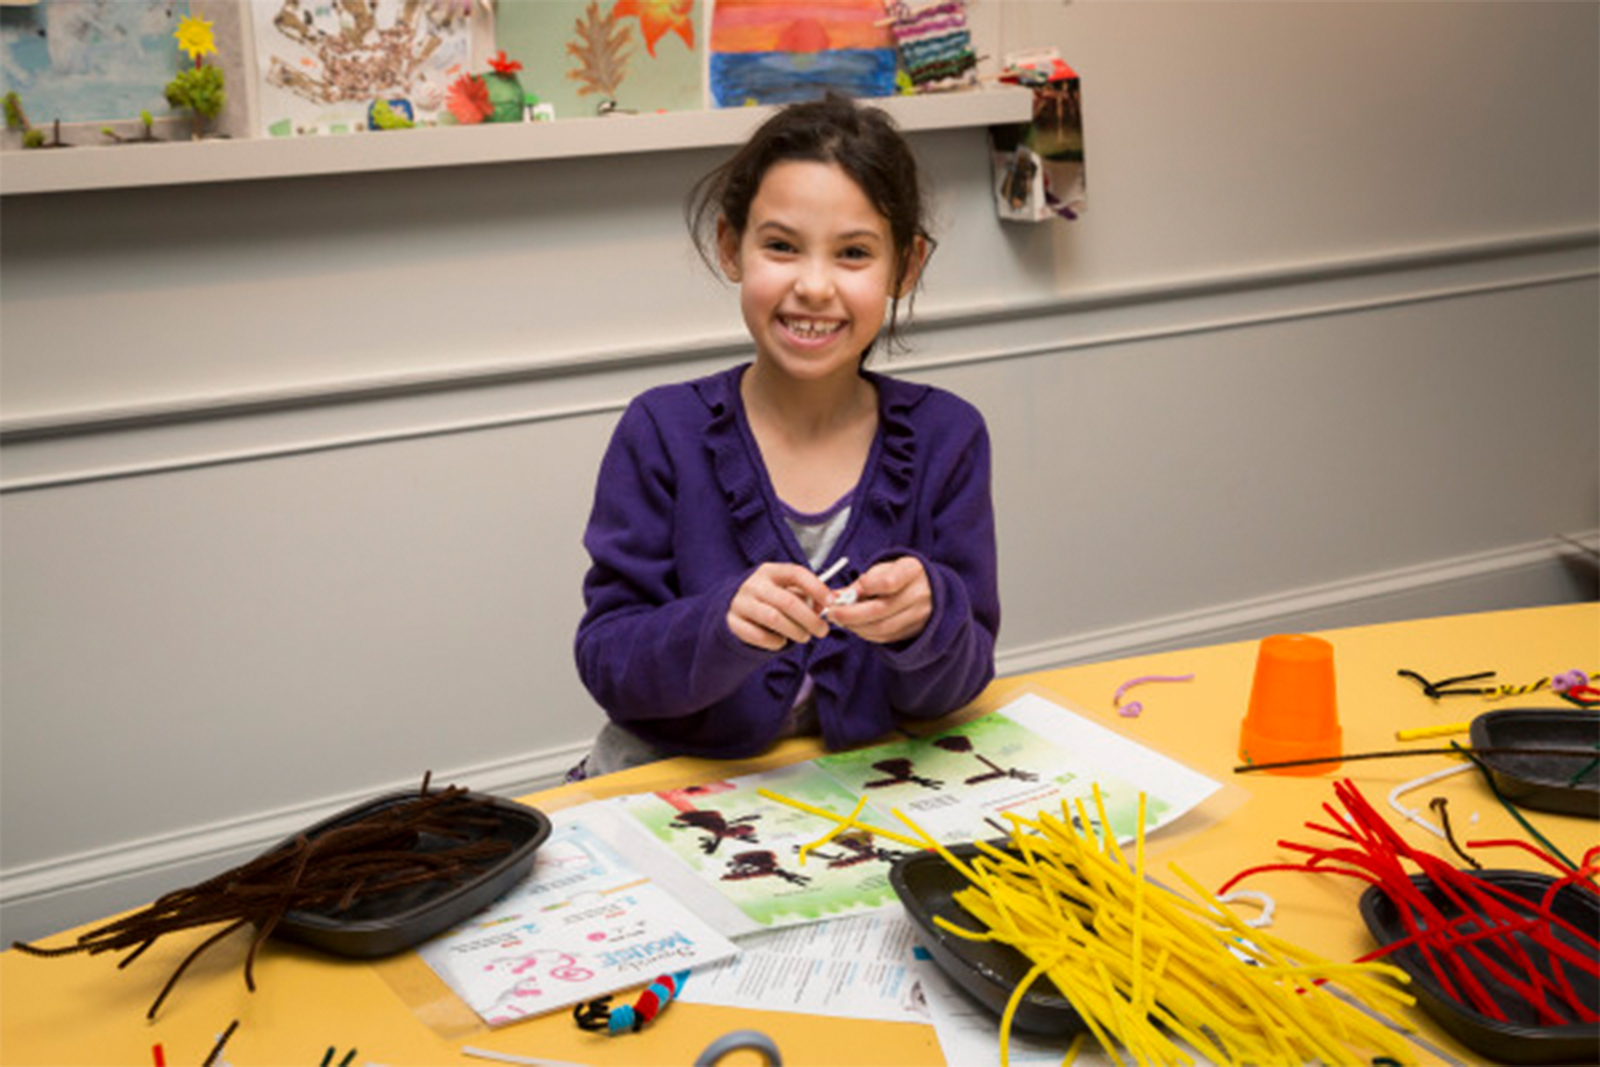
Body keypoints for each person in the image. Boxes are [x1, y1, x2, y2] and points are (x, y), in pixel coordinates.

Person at [569, 93, 999, 780]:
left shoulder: (949, 437)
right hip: (675, 784)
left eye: (854, 253)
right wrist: (719, 627)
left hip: (856, 790)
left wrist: (929, 617)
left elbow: (958, 681)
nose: (814, 285)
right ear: (730, 245)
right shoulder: (661, 431)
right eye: (781, 246)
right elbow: (609, 661)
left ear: (906, 266)